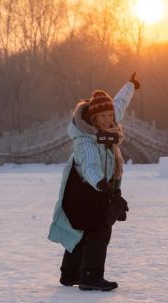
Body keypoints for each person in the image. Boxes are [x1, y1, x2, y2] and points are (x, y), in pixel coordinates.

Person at [48, 73, 140, 291]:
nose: (110, 119)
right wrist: (101, 183)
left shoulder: (108, 129)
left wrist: (130, 85)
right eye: (104, 117)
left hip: (95, 190)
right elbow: (90, 165)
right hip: (84, 190)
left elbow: (119, 104)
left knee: (82, 229)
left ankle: (69, 274)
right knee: (99, 229)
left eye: (110, 116)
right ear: (93, 119)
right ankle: (90, 276)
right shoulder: (87, 140)